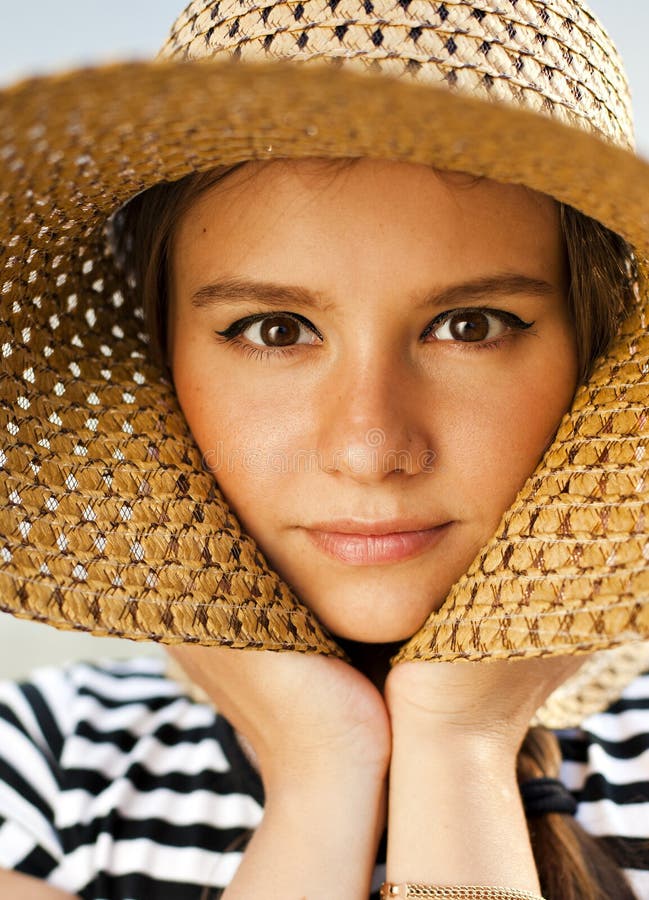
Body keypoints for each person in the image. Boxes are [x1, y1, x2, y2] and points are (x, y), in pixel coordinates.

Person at [0, 1, 648, 898]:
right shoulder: (38, 768)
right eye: (274, 329)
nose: (370, 446)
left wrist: (458, 744)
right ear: (156, 363)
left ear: (602, 355)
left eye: (470, 326)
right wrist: (319, 773)